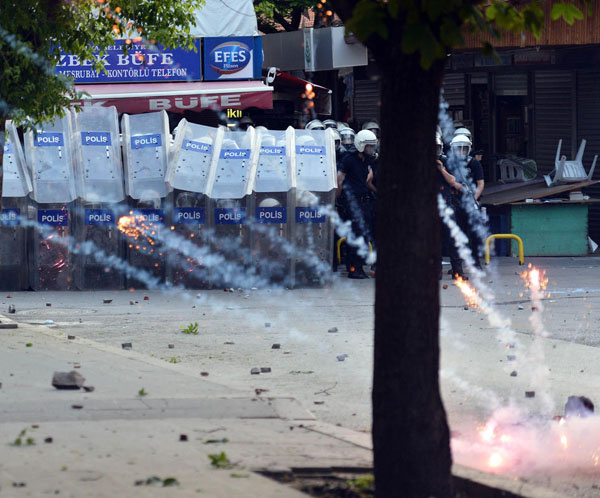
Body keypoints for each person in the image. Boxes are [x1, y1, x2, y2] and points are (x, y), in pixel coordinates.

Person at [337, 130, 377, 279]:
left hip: (364, 203)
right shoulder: (348, 159)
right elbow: (339, 181)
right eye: (368, 147)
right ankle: (354, 269)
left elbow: (367, 180)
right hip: (353, 204)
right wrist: (338, 200)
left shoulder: (366, 161)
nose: (371, 150)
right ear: (361, 145)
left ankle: (358, 267)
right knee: (356, 235)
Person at [449, 133, 485, 267]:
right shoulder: (449, 164)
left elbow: (480, 183)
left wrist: (474, 198)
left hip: (471, 204)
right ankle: (458, 266)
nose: (461, 151)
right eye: (458, 148)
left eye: (464, 148)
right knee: (458, 235)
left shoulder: (473, 163)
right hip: (455, 203)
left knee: (475, 234)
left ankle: (476, 262)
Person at [437, 133, 467, 280]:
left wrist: (441, 169)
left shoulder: (446, 162)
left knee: (453, 240)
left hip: (447, 206)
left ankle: (458, 271)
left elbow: (452, 181)